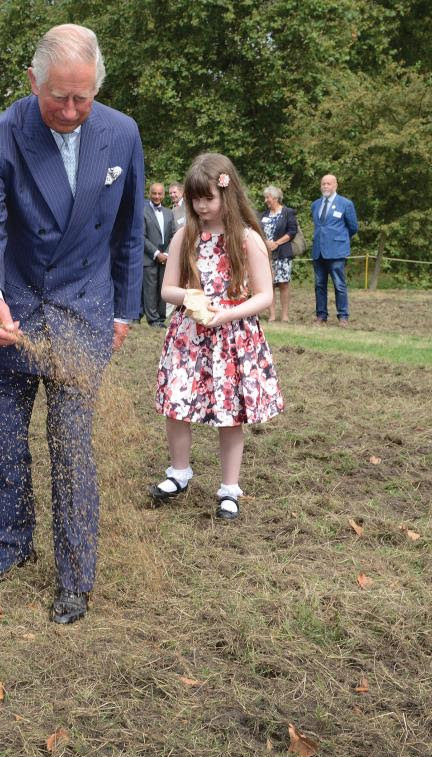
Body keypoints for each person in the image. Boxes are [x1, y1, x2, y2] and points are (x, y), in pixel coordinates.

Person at [0, 23, 144, 625]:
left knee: (72, 448)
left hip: (82, 315)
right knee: (5, 445)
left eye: (81, 98)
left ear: (97, 88)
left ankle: (75, 575)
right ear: (33, 81)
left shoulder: (122, 134)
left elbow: (129, 231)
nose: (68, 110)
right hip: (8, 314)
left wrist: (122, 310)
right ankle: (9, 550)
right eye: (57, 96)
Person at [150, 153, 284, 519]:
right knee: (177, 404)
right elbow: (167, 289)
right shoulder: (185, 236)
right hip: (188, 335)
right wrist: (190, 298)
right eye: (195, 199)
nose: (200, 206)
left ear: (227, 192)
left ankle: (229, 488)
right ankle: (178, 473)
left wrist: (226, 314)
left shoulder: (248, 239)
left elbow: (264, 296)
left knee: (229, 413)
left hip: (232, 338)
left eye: (208, 198)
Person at [310, 173, 357, 326]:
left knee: (339, 285)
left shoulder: (345, 204)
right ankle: (321, 316)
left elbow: (353, 227)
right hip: (318, 251)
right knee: (319, 285)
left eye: (328, 183)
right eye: (323, 183)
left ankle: (343, 316)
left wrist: (338, 240)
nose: (325, 186)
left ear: (335, 185)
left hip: (337, 252)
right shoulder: (315, 204)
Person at [260, 185, 298, 321]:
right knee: (269, 284)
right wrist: (266, 242)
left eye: (267, 197)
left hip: (283, 253)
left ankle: (285, 316)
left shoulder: (288, 212)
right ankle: (272, 315)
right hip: (266, 255)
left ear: (275, 198)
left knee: (283, 284)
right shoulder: (263, 215)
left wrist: (276, 243)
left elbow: (292, 231)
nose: (265, 200)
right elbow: (258, 231)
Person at [142, 182, 175, 327]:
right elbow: (141, 236)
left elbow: (174, 235)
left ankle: (161, 318)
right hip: (149, 256)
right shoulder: (142, 211)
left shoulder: (169, 213)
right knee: (150, 289)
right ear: (149, 193)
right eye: (154, 193)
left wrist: (167, 253)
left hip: (166, 257)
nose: (157, 196)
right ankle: (153, 319)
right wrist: (156, 253)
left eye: (159, 193)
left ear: (164, 195)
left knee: (163, 287)